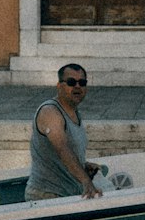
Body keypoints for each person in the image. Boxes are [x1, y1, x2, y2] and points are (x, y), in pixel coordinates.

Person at [25, 63, 102, 201]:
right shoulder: (50, 112)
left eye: (82, 82)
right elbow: (62, 149)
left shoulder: (74, 113)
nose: (77, 86)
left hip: (67, 195)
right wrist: (85, 181)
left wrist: (83, 167)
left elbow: (66, 154)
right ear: (59, 86)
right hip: (46, 196)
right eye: (71, 82)